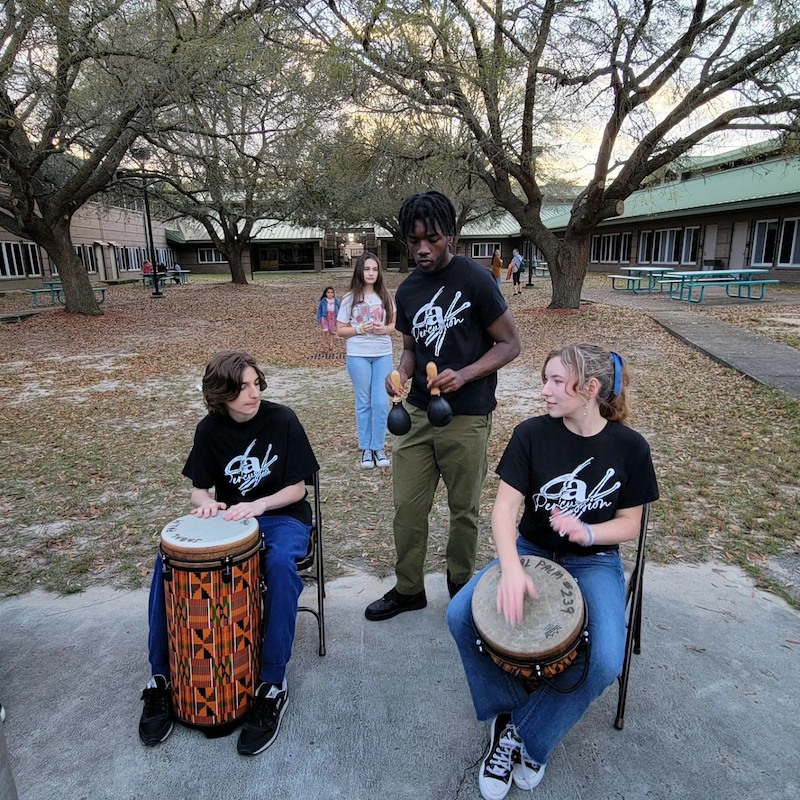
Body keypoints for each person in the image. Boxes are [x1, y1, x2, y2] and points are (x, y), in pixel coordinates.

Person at [446, 343, 659, 799]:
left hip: (593, 560)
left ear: (590, 388)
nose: (544, 390)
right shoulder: (531, 434)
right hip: (530, 551)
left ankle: (524, 738)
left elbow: (630, 525)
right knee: (460, 616)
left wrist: (588, 533)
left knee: (603, 660)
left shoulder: (630, 447)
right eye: (546, 379)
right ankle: (508, 707)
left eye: (556, 381)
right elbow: (504, 509)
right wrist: (509, 568)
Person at [138, 350, 319, 756]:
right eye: (242, 388)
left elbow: (298, 489)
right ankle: (161, 680)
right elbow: (199, 488)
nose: (253, 394)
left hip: (282, 517)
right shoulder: (209, 429)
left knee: (278, 566)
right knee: (168, 562)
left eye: (256, 384)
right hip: (232, 522)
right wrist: (205, 504)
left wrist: (260, 504)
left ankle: (271, 684)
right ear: (220, 395)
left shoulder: (282, 419)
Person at [364, 191, 521, 621]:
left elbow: (510, 344)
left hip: (467, 414)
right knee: (407, 506)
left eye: (431, 239)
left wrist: (466, 373)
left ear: (449, 235)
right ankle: (409, 589)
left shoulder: (475, 280)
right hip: (417, 412)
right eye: (414, 241)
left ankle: (461, 587)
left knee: (463, 509)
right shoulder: (410, 289)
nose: (422, 249)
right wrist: (400, 374)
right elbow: (412, 348)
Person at [336, 253, 396, 469]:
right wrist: (359, 329)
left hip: (382, 354)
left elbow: (393, 325)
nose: (371, 273)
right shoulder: (349, 298)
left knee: (381, 402)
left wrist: (384, 329)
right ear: (360, 271)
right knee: (364, 403)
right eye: (367, 269)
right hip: (358, 355)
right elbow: (339, 330)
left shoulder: (386, 297)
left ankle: (378, 447)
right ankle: (366, 449)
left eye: (374, 269)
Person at [316, 286, 340, 353]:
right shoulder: (324, 301)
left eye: (332, 292)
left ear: (333, 293)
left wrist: (339, 317)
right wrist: (319, 317)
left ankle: (331, 344)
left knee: (332, 331)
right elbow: (320, 309)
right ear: (326, 293)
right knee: (325, 330)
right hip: (325, 316)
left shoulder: (336, 301)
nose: (330, 294)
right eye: (328, 292)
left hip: (333, 316)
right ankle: (323, 344)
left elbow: (339, 309)